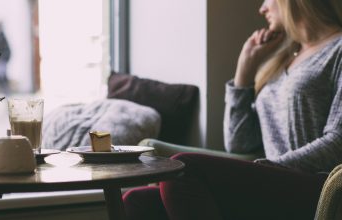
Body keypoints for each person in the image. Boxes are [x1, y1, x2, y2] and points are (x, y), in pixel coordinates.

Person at [122, 0, 342, 219]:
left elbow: (337, 141)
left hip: (321, 186)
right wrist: (244, 71)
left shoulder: (337, 49)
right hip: (274, 180)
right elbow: (240, 142)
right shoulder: (284, 57)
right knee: (137, 201)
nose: (262, 8)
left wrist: (270, 168)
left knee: (184, 169)